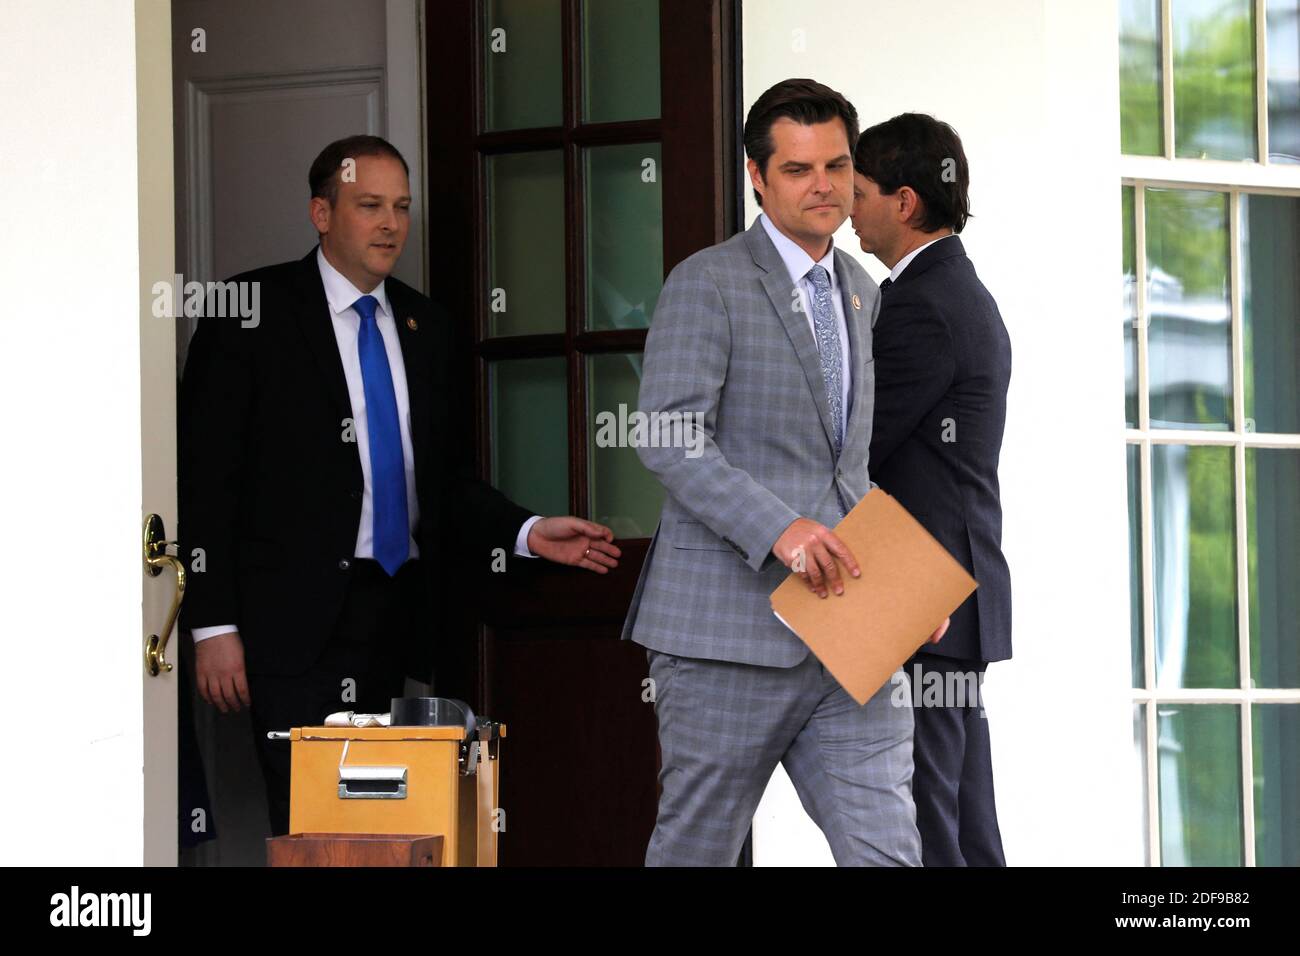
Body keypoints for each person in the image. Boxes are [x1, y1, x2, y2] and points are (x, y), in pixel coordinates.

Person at [178, 134, 621, 836]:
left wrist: (527, 531)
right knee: (312, 823)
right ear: (321, 214)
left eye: (402, 208)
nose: (391, 224)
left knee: (392, 822)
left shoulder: (426, 324)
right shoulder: (248, 313)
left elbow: (442, 481)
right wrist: (214, 624)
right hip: (289, 625)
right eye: (370, 206)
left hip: (400, 616)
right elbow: (204, 476)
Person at [622, 79, 945, 867]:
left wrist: (910, 591)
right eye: (798, 169)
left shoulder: (864, 293)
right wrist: (781, 530)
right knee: (697, 852)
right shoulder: (708, 281)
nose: (823, 185)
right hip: (725, 637)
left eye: (837, 165)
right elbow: (666, 435)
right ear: (757, 176)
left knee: (889, 851)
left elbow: (850, 472)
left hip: (849, 633)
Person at [850, 113, 1012, 866]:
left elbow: (855, 445)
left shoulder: (922, 304)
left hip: (924, 598)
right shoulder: (954, 289)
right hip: (945, 595)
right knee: (959, 813)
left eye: (858, 192)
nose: (847, 208)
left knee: (926, 816)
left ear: (904, 201)